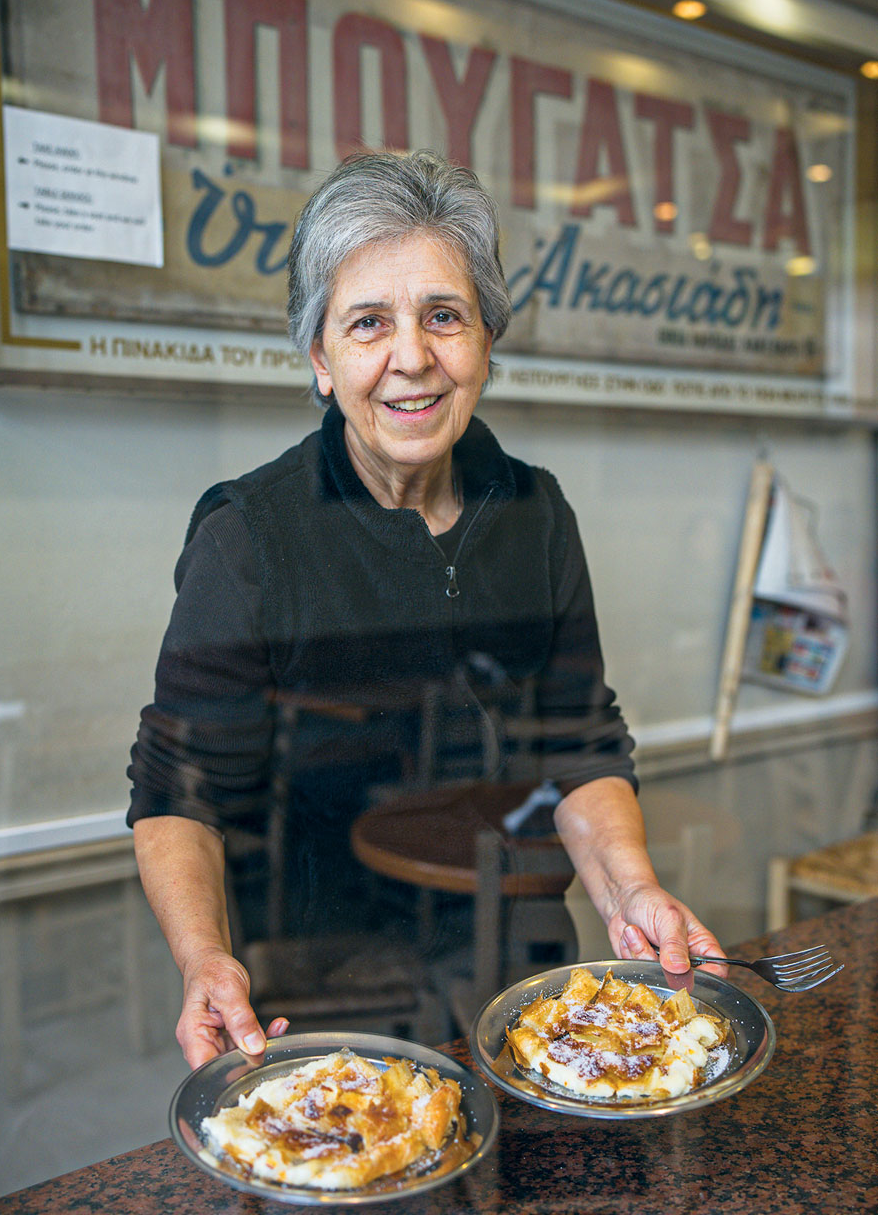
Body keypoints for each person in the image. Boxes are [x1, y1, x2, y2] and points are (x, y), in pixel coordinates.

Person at [128, 149, 726, 1070]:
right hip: (326, 1000)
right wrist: (204, 958)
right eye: (368, 323)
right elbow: (179, 791)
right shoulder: (250, 535)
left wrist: (630, 891)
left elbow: (581, 744)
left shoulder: (536, 512)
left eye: (444, 316)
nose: (412, 357)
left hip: (528, 989)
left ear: (486, 340)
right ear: (321, 359)